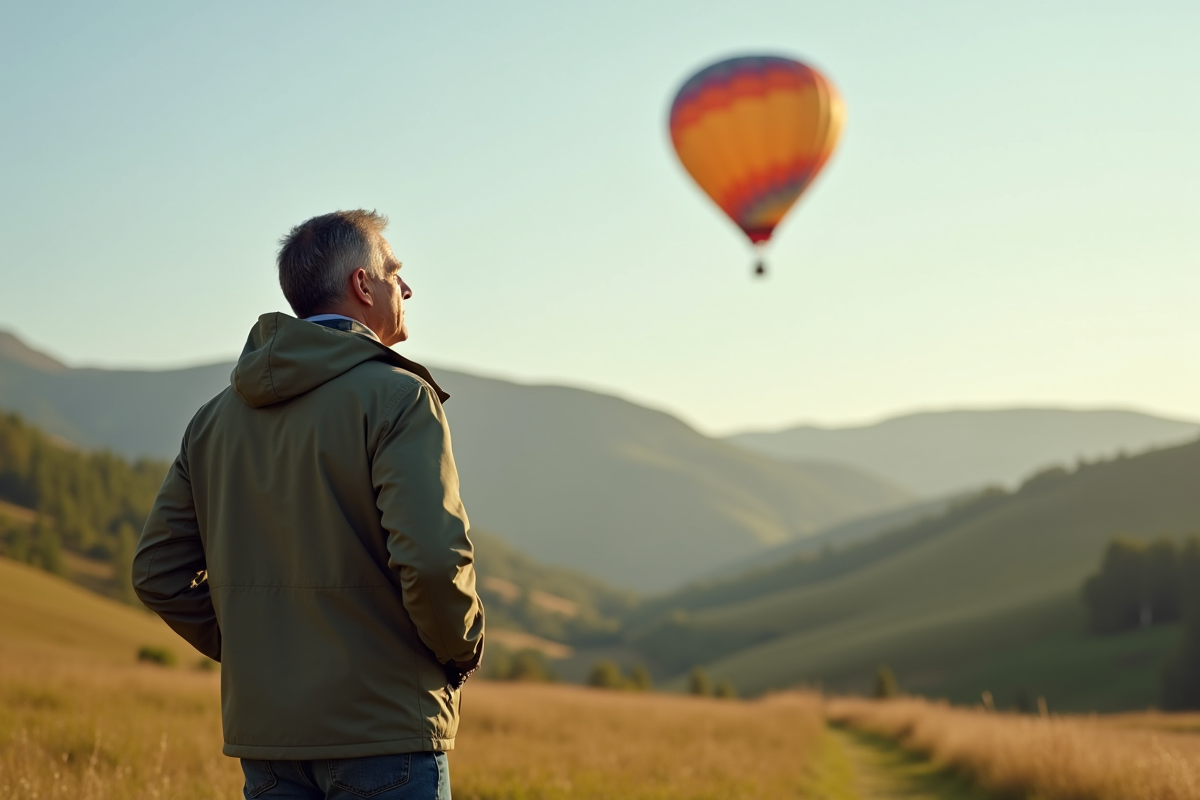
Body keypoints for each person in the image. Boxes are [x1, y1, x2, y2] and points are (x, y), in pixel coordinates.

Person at [133, 209, 484, 800]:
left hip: (270, 746)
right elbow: (428, 559)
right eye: (394, 270)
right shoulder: (401, 397)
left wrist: (263, 651)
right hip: (385, 731)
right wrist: (460, 651)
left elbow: (157, 574)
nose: (406, 286)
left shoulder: (213, 420)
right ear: (361, 285)